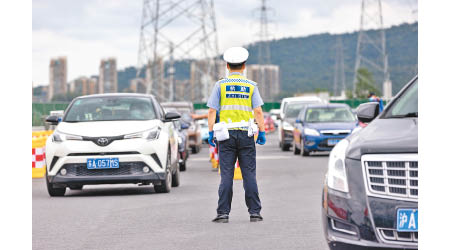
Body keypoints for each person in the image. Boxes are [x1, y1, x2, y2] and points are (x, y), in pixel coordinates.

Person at [206, 46, 266, 223]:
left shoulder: (220, 85)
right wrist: (261, 132)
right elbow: (258, 111)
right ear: (244, 65)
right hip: (246, 135)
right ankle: (254, 212)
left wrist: (211, 132)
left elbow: (211, 111)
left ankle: (223, 213)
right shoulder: (251, 86)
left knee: (226, 174)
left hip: (226, 136)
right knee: (249, 174)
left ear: (227, 65)